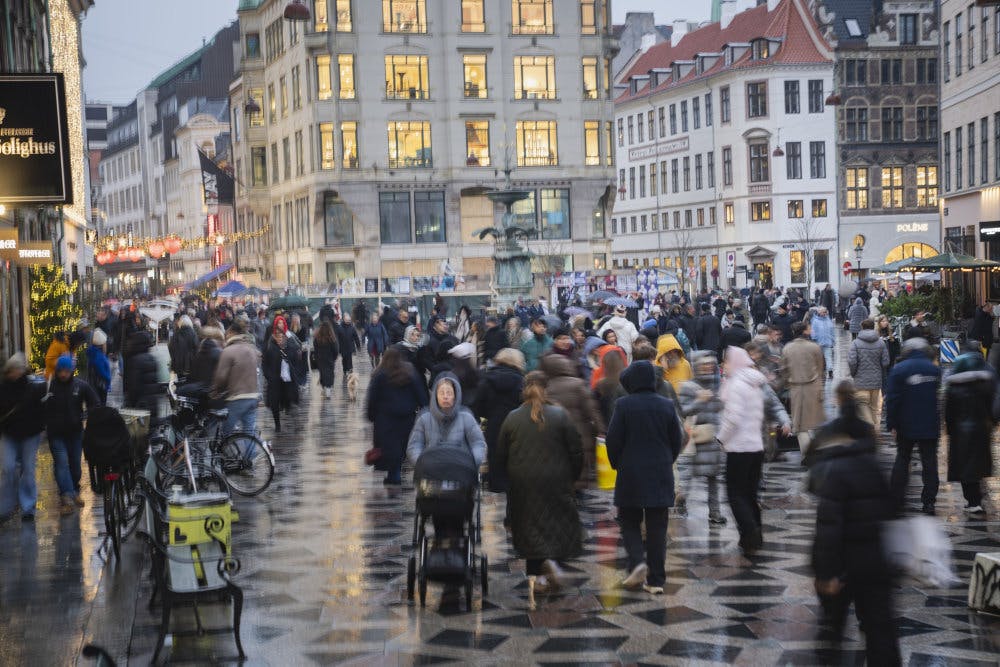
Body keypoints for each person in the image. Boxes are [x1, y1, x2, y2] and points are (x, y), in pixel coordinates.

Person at [809, 380, 900, 665]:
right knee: (880, 629)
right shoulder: (875, 465)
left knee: (832, 629)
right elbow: (892, 513)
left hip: (844, 563)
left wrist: (825, 573)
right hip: (876, 561)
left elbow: (828, 528)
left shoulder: (834, 472)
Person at [496, 371, 583, 605]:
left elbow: (501, 454)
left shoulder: (512, 418)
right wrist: (572, 477)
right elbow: (576, 450)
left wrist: (509, 479)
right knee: (554, 524)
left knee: (529, 526)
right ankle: (551, 562)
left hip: (522, 481)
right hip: (557, 479)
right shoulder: (559, 415)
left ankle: (538, 578)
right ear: (547, 389)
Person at [605, 360, 685, 594]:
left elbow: (613, 439)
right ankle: (656, 581)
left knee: (629, 520)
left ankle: (637, 562)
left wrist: (617, 463)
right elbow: (676, 439)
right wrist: (666, 460)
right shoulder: (666, 405)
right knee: (657, 527)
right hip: (660, 471)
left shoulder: (623, 405)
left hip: (630, 472)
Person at [718, 346, 790, 556]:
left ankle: (750, 533)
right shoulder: (755, 383)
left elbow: (733, 418)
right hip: (756, 446)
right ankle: (755, 534)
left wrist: (720, 438)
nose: (725, 365)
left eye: (727, 360)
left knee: (736, 494)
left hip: (739, 447)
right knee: (750, 494)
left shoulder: (737, 384)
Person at [406, 373, 486, 535]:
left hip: (460, 478)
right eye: (442, 393)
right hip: (432, 478)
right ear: (435, 394)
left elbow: (478, 443)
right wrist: (422, 462)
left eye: (449, 393)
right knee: (435, 511)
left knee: (460, 511)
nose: (446, 397)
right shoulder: (425, 418)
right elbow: (414, 445)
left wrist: (472, 462)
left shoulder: (466, 418)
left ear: (456, 395)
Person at [885, 337, 941, 515]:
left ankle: (896, 499)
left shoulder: (899, 369)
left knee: (903, 459)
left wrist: (891, 423)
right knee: (930, 463)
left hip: (905, 423)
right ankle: (929, 502)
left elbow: (892, 399)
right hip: (930, 424)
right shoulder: (934, 370)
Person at [43, 354, 101, 515]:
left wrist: (87, 415)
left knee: (75, 465)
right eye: (60, 371)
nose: (63, 374)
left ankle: (74, 490)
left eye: (66, 371)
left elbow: (94, 402)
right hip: (56, 433)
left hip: (75, 432)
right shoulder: (49, 387)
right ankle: (66, 496)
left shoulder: (80, 386)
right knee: (61, 463)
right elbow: (40, 406)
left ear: (71, 370)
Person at [943, 345, 997, 513]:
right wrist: (992, 424)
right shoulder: (987, 382)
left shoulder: (953, 385)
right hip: (982, 429)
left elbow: (948, 412)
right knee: (978, 465)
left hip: (960, 431)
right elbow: (993, 408)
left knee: (965, 467)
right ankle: (977, 500)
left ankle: (973, 501)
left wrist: (949, 430)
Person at [366, 347, 429, 485]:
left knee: (390, 449)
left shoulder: (379, 374)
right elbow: (421, 395)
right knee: (400, 449)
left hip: (384, 421)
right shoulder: (409, 373)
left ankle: (394, 477)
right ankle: (394, 475)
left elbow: (372, 398)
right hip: (406, 419)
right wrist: (424, 409)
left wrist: (371, 415)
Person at [540, 351, 604, 486]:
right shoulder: (577, 384)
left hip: (554, 434)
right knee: (580, 466)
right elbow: (592, 410)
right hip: (581, 434)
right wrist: (601, 429)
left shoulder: (545, 387)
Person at [678, 352, 727, 525]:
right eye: (703, 364)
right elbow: (682, 411)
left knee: (714, 477)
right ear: (696, 366)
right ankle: (681, 502)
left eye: (710, 364)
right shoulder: (688, 387)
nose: (707, 367)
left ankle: (715, 512)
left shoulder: (717, 386)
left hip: (712, 437)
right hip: (695, 439)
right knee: (688, 477)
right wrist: (699, 401)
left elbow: (720, 410)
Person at [0, 354, 46, 522]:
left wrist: (41, 427)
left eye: (18, 369)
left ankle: (28, 507)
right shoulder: (3, 388)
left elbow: (41, 409)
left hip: (30, 434)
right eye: (13, 370)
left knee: (28, 468)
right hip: (9, 434)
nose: (15, 372)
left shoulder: (32, 386)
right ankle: (5, 507)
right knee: (7, 467)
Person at [473, 348, 525, 494]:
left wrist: (490, 414)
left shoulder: (487, 379)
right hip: (517, 424)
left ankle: (496, 485)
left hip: (494, 424)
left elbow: (478, 404)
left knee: (495, 455)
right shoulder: (521, 381)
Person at [211, 318, 262, 435]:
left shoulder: (228, 351)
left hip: (237, 397)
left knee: (226, 431)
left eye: (227, 333)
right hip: (253, 395)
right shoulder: (251, 348)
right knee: (249, 432)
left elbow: (221, 377)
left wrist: (215, 392)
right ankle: (251, 453)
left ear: (231, 333)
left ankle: (227, 452)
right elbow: (259, 360)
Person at [780, 321, 827, 441]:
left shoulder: (787, 348)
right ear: (805, 331)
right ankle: (817, 451)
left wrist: (786, 384)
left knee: (800, 425)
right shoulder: (815, 347)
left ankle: (806, 454)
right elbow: (821, 368)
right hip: (814, 387)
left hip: (796, 388)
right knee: (816, 422)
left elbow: (784, 370)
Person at [847, 319, 889, 427]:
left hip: (860, 380)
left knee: (862, 405)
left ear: (862, 327)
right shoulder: (881, 342)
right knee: (874, 407)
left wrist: (854, 373)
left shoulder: (855, 343)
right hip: (876, 380)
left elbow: (852, 362)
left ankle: (868, 428)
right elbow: (885, 362)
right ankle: (873, 429)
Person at [262, 324, 302, 432]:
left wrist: (295, 371)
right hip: (275, 381)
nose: (279, 339)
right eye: (277, 337)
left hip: (288, 380)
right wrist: (269, 376)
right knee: (275, 403)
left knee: (291, 401)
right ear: (273, 337)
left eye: (281, 337)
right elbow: (264, 364)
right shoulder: (270, 348)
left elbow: (296, 360)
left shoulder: (290, 346)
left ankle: (296, 423)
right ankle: (277, 425)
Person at [125, 330, 163, 420]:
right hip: (153, 405)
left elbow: (134, 388)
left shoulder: (136, 361)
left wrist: (130, 404)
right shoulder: (152, 359)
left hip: (141, 407)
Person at [592, 345, 627, 427]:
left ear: (604, 362)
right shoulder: (629, 380)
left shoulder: (600, 384)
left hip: (608, 425)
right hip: (627, 425)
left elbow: (594, 407)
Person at [312, 321, 340, 399]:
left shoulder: (317, 338)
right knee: (330, 375)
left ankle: (325, 388)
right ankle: (328, 390)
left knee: (323, 374)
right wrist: (334, 358)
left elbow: (315, 350)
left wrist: (317, 358)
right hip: (329, 360)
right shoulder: (332, 338)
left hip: (320, 360)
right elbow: (335, 350)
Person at [86, 328, 112, 405]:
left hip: (94, 384)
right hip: (101, 385)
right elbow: (101, 371)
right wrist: (108, 378)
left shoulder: (93, 353)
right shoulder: (99, 356)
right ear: (101, 345)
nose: (106, 346)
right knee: (101, 404)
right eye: (105, 344)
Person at [810, 306, 836, 378]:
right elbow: (813, 331)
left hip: (828, 342)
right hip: (818, 343)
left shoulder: (828, 320)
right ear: (819, 312)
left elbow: (832, 331)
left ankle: (830, 371)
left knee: (828, 357)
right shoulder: (815, 320)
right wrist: (814, 339)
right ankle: (820, 371)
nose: (825, 313)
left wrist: (833, 340)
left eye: (825, 312)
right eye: (823, 312)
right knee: (819, 358)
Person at [335, 315, 361, 381]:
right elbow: (337, 338)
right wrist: (337, 347)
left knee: (349, 359)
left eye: (349, 320)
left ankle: (350, 370)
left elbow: (356, 337)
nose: (348, 321)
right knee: (344, 359)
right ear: (344, 319)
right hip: (342, 347)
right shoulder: (339, 327)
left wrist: (358, 346)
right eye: (347, 320)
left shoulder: (352, 328)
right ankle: (345, 370)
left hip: (350, 346)